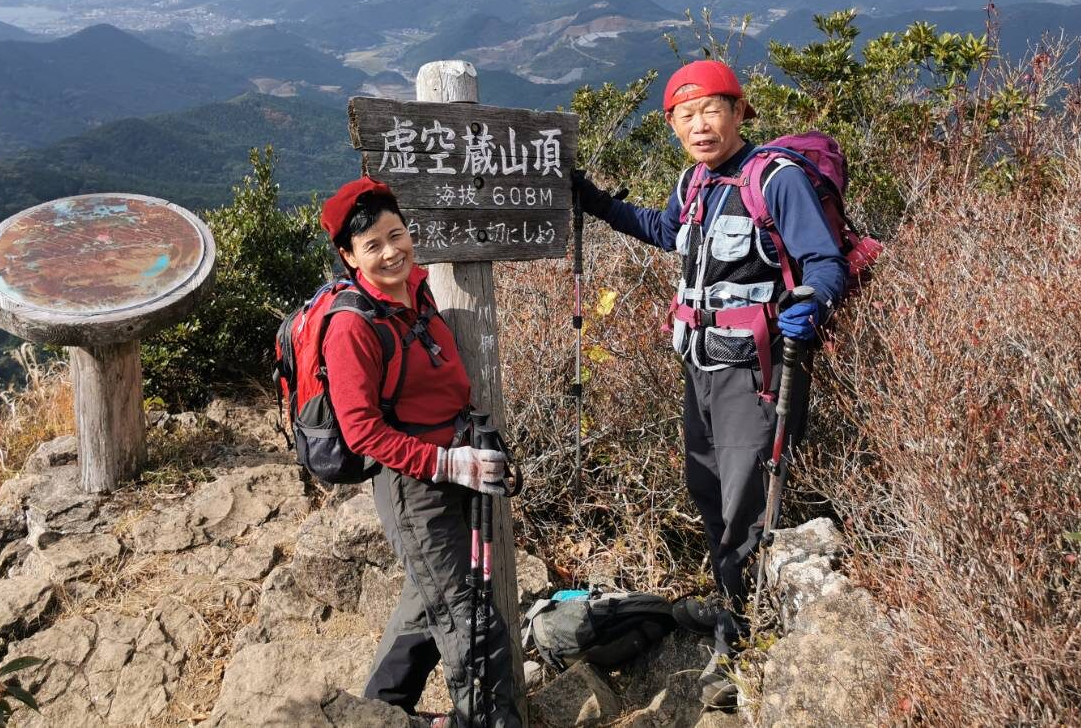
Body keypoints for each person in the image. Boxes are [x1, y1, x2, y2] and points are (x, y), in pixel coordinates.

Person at [572, 60, 848, 708]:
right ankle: (731, 602)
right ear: (671, 125)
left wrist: (807, 305)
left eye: (710, 110)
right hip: (699, 366)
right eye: (684, 114)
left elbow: (824, 263)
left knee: (747, 506)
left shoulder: (773, 181)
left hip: (756, 372)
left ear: (738, 111)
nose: (699, 124)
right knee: (707, 490)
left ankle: (744, 642)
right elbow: (669, 233)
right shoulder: (694, 182)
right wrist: (599, 203)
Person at [319, 175, 522, 728]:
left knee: (426, 604)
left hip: (457, 466)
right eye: (373, 246)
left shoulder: (418, 291)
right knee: (468, 615)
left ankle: (377, 713)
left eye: (396, 234)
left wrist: (467, 449)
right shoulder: (352, 327)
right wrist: (446, 461)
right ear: (348, 256)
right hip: (414, 487)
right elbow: (361, 430)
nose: (391, 252)